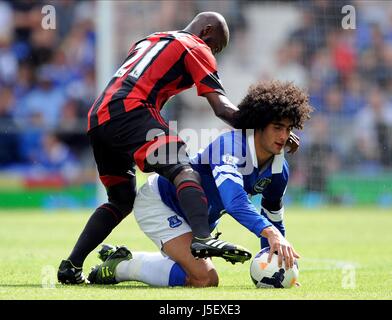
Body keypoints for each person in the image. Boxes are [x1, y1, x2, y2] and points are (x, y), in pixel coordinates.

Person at [57, 12, 299, 284]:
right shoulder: (195, 46)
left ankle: (71, 266)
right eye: (216, 47)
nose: (214, 54)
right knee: (181, 166)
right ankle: (203, 239)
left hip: (99, 118)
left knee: (121, 199)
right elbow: (220, 107)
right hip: (131, 111)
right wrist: (260, 121)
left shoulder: (150, 40)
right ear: (207, 31)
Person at [87, 81, 313, 287]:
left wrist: (280, 264)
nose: (284, 136)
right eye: (277, 127)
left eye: (289, 128)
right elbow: (234, 201)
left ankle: (126, 257)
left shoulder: (278, 168)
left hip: (199, 222)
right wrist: (270, 232)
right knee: (205, 278)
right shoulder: (230, 145)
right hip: (161, 203)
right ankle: (123, 266)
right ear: (259, 124)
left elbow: (273, 215)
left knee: (195, 273)